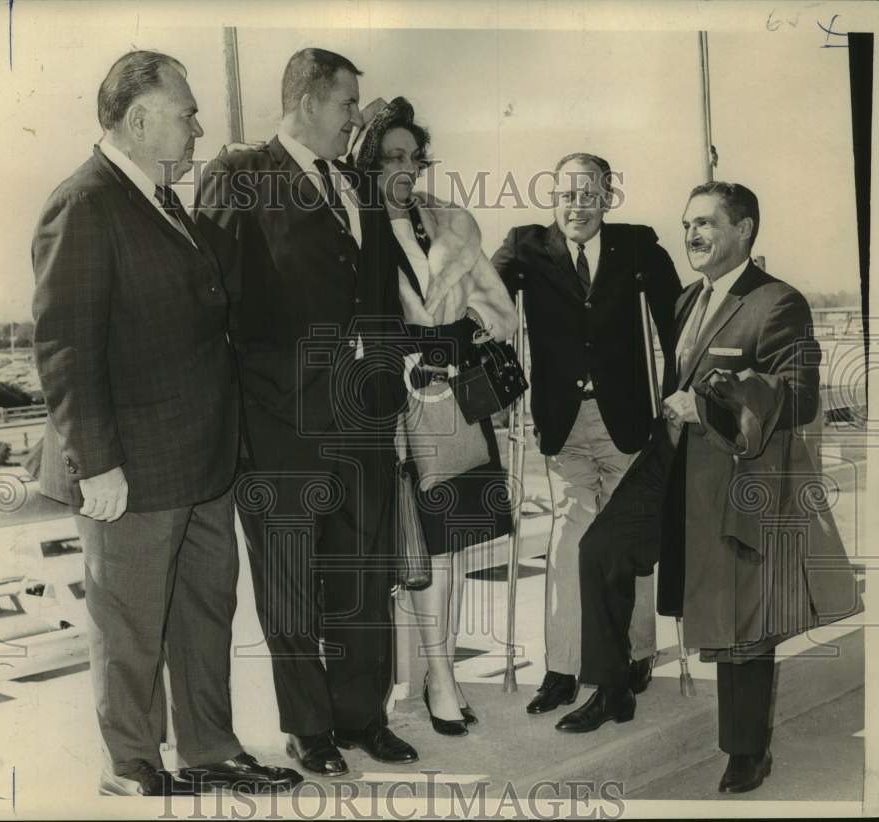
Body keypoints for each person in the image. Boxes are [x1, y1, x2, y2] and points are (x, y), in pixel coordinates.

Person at [31, 50, 301, 796]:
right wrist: (98, 464)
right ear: (141, 118)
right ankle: (133, 766)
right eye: (185, 114)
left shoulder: (159, 199)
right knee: (130, 627)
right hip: (133, 468)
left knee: (205, 612)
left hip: (203, 461)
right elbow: (65, 346)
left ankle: (212, 748)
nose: (198, 127)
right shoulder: (83, 203)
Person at [560, 181, 863, 794]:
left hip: (733, 475)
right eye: (686, 223)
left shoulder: (779, 302)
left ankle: (748, 751)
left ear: (744, 229)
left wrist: (709, 401)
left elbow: (799, 395)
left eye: (705, 223)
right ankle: (614, 686)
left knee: (738, 615)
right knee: (601, 550)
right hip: (671, 463)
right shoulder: (685, 302)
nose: (691, 235)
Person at [193, 48, 418, 777]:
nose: (358, 118)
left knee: (363, 576)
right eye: (349, 104)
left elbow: (380, 297)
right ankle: (309, 728)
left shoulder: (358, 186)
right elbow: (213, 302)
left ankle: (362, 716)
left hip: (365, 418)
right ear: (309, 101)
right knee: (289, 581)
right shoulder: (240, 176)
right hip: (281, 421)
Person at [490, 153, 681, 716]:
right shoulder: (527, 245)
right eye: (567, 194)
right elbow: (487, 300)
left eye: (590, 194)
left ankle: (637, 651)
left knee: (628, 537)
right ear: (553, 196)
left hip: (628, 418)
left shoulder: (638, 245)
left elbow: (676, 324)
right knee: (571, 537)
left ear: (608, 197)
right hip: (563, 420)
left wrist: (677, 392)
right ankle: (563, 666)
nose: (578, 205)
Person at [354, 97, 518, 736]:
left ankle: (440, 677)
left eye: (413, 158)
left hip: (448, 406)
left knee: (442, 551)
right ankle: (388, 683)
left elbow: (500, 312)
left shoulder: (452, 224)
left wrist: (459, 341)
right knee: (387, 549)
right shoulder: (347, 224)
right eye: (390, 157)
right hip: (376, 407)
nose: (404, 169)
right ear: (367, 162)